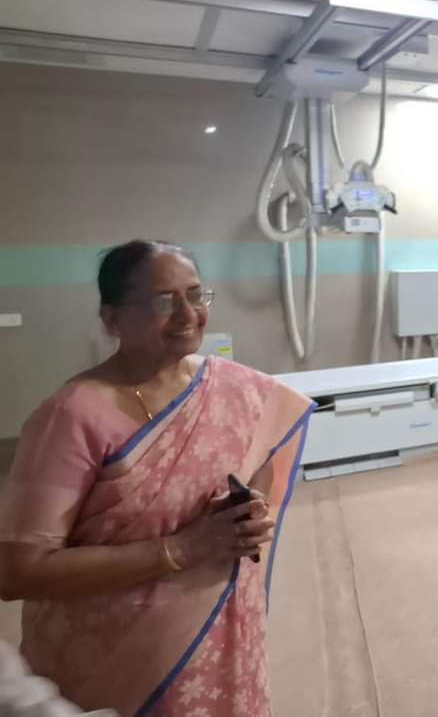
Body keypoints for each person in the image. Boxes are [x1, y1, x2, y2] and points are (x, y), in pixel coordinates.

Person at [0, 241, 314, 716]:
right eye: (163, 301)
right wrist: (180, 549)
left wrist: (252, 512)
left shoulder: (235, 387)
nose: (188, 315)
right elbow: (19, 571)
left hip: (223, 637)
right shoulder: (73, 416)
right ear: (112, 319)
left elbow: (261, 464)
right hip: (116, 661)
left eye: (196, 295)